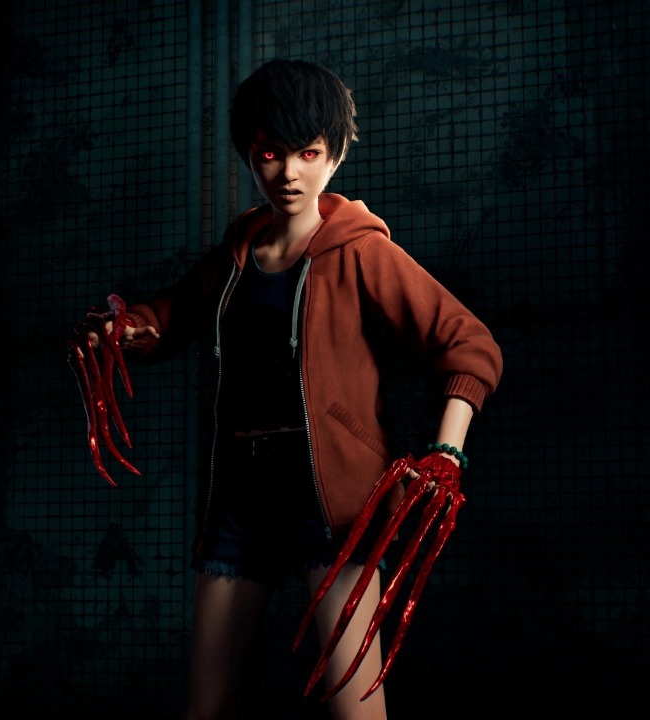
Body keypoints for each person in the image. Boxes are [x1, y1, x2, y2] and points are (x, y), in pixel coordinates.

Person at [94, 59, 502, 720]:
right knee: (206, 705)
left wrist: (447, 451)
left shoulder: (360, 250)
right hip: (240, 495)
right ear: (249, 155)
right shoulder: (236, 255)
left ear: (334, 155)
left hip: (334, 500)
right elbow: (166, 319)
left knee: (354, 708)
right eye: (270, 154)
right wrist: (118, 329)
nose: (288, 173)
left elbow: (469, 343)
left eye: (308, 153)